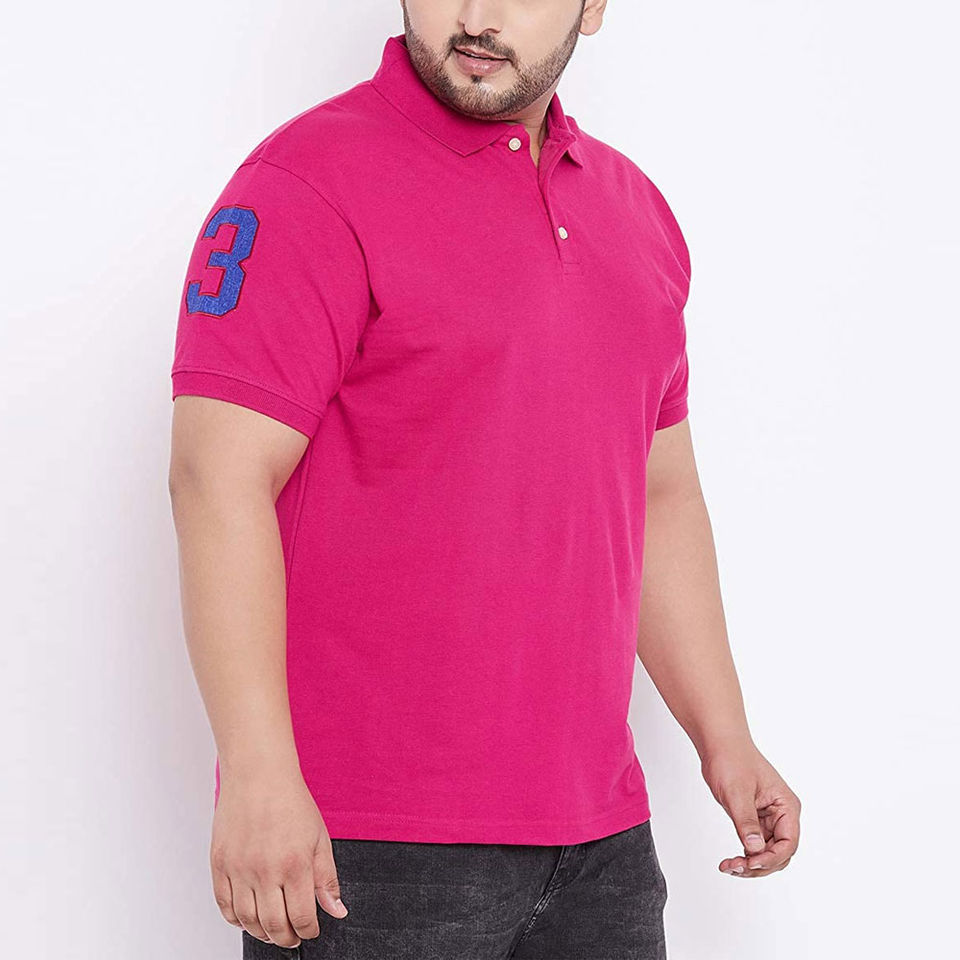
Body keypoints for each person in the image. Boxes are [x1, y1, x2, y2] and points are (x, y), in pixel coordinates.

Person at [168, 2, 802, 957]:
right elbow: (216, 479)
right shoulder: (307, 182)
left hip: (601, 840)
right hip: (366, 844)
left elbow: (658, 493)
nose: (476, 16)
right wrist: (257, 775)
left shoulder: (634, 209)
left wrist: (727, 739)